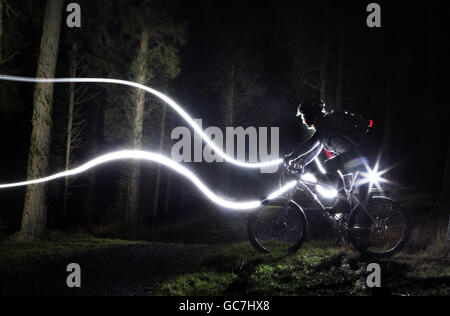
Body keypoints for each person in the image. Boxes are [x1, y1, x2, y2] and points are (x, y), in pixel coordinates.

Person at [284, 99, 374, 213]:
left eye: (304, 116)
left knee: (329, 166)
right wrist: (300, 162)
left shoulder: (326, 123)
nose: (303, 120)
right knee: (352, 198)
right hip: (354, 157)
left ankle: (343, 205)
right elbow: (314, 150)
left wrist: (291, 157)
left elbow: (312, 143)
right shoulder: (325, 128)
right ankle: (346, 214)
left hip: (360, 155)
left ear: (313, 115)